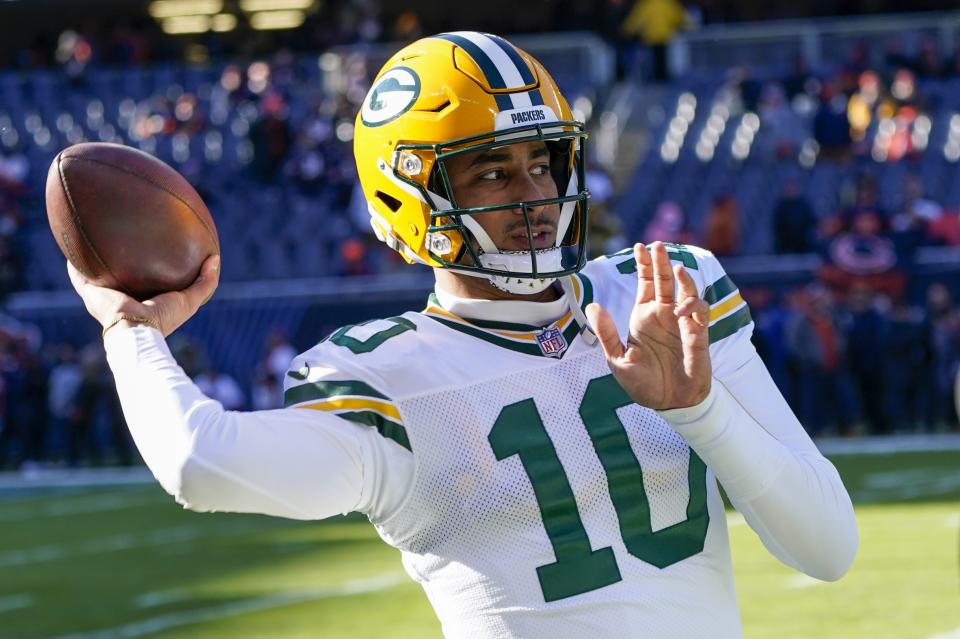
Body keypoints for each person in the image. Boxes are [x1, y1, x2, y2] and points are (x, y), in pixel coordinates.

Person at [67, 32, 857, 638]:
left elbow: (826, 547)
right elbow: (200, 463)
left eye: (542, 162)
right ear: (410, 201)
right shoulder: (388, 376)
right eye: (491, 171)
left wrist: (701, 411)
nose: (536, 194)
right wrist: (131, 328)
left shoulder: (662, 289)